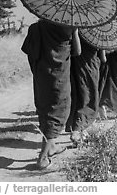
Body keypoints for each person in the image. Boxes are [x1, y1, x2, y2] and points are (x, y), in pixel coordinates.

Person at [21, 19, 81, 170]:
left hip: (42, 75)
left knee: (45, 109)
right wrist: (75, 31)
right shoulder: (69, 26)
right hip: (59, 77)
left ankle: (52, 146)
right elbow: (77, 52)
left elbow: (29, 51)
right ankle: (42, 158)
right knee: (57, 111)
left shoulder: (36, 27)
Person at [66, 36, 106, 144]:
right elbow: (103, 59)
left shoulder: (76, 32)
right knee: (88, 99)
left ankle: (80, 129)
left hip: (74, 66)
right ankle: (77, 130)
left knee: (78, 96)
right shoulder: (97, 35)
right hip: (91, 69)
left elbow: (75, 51)